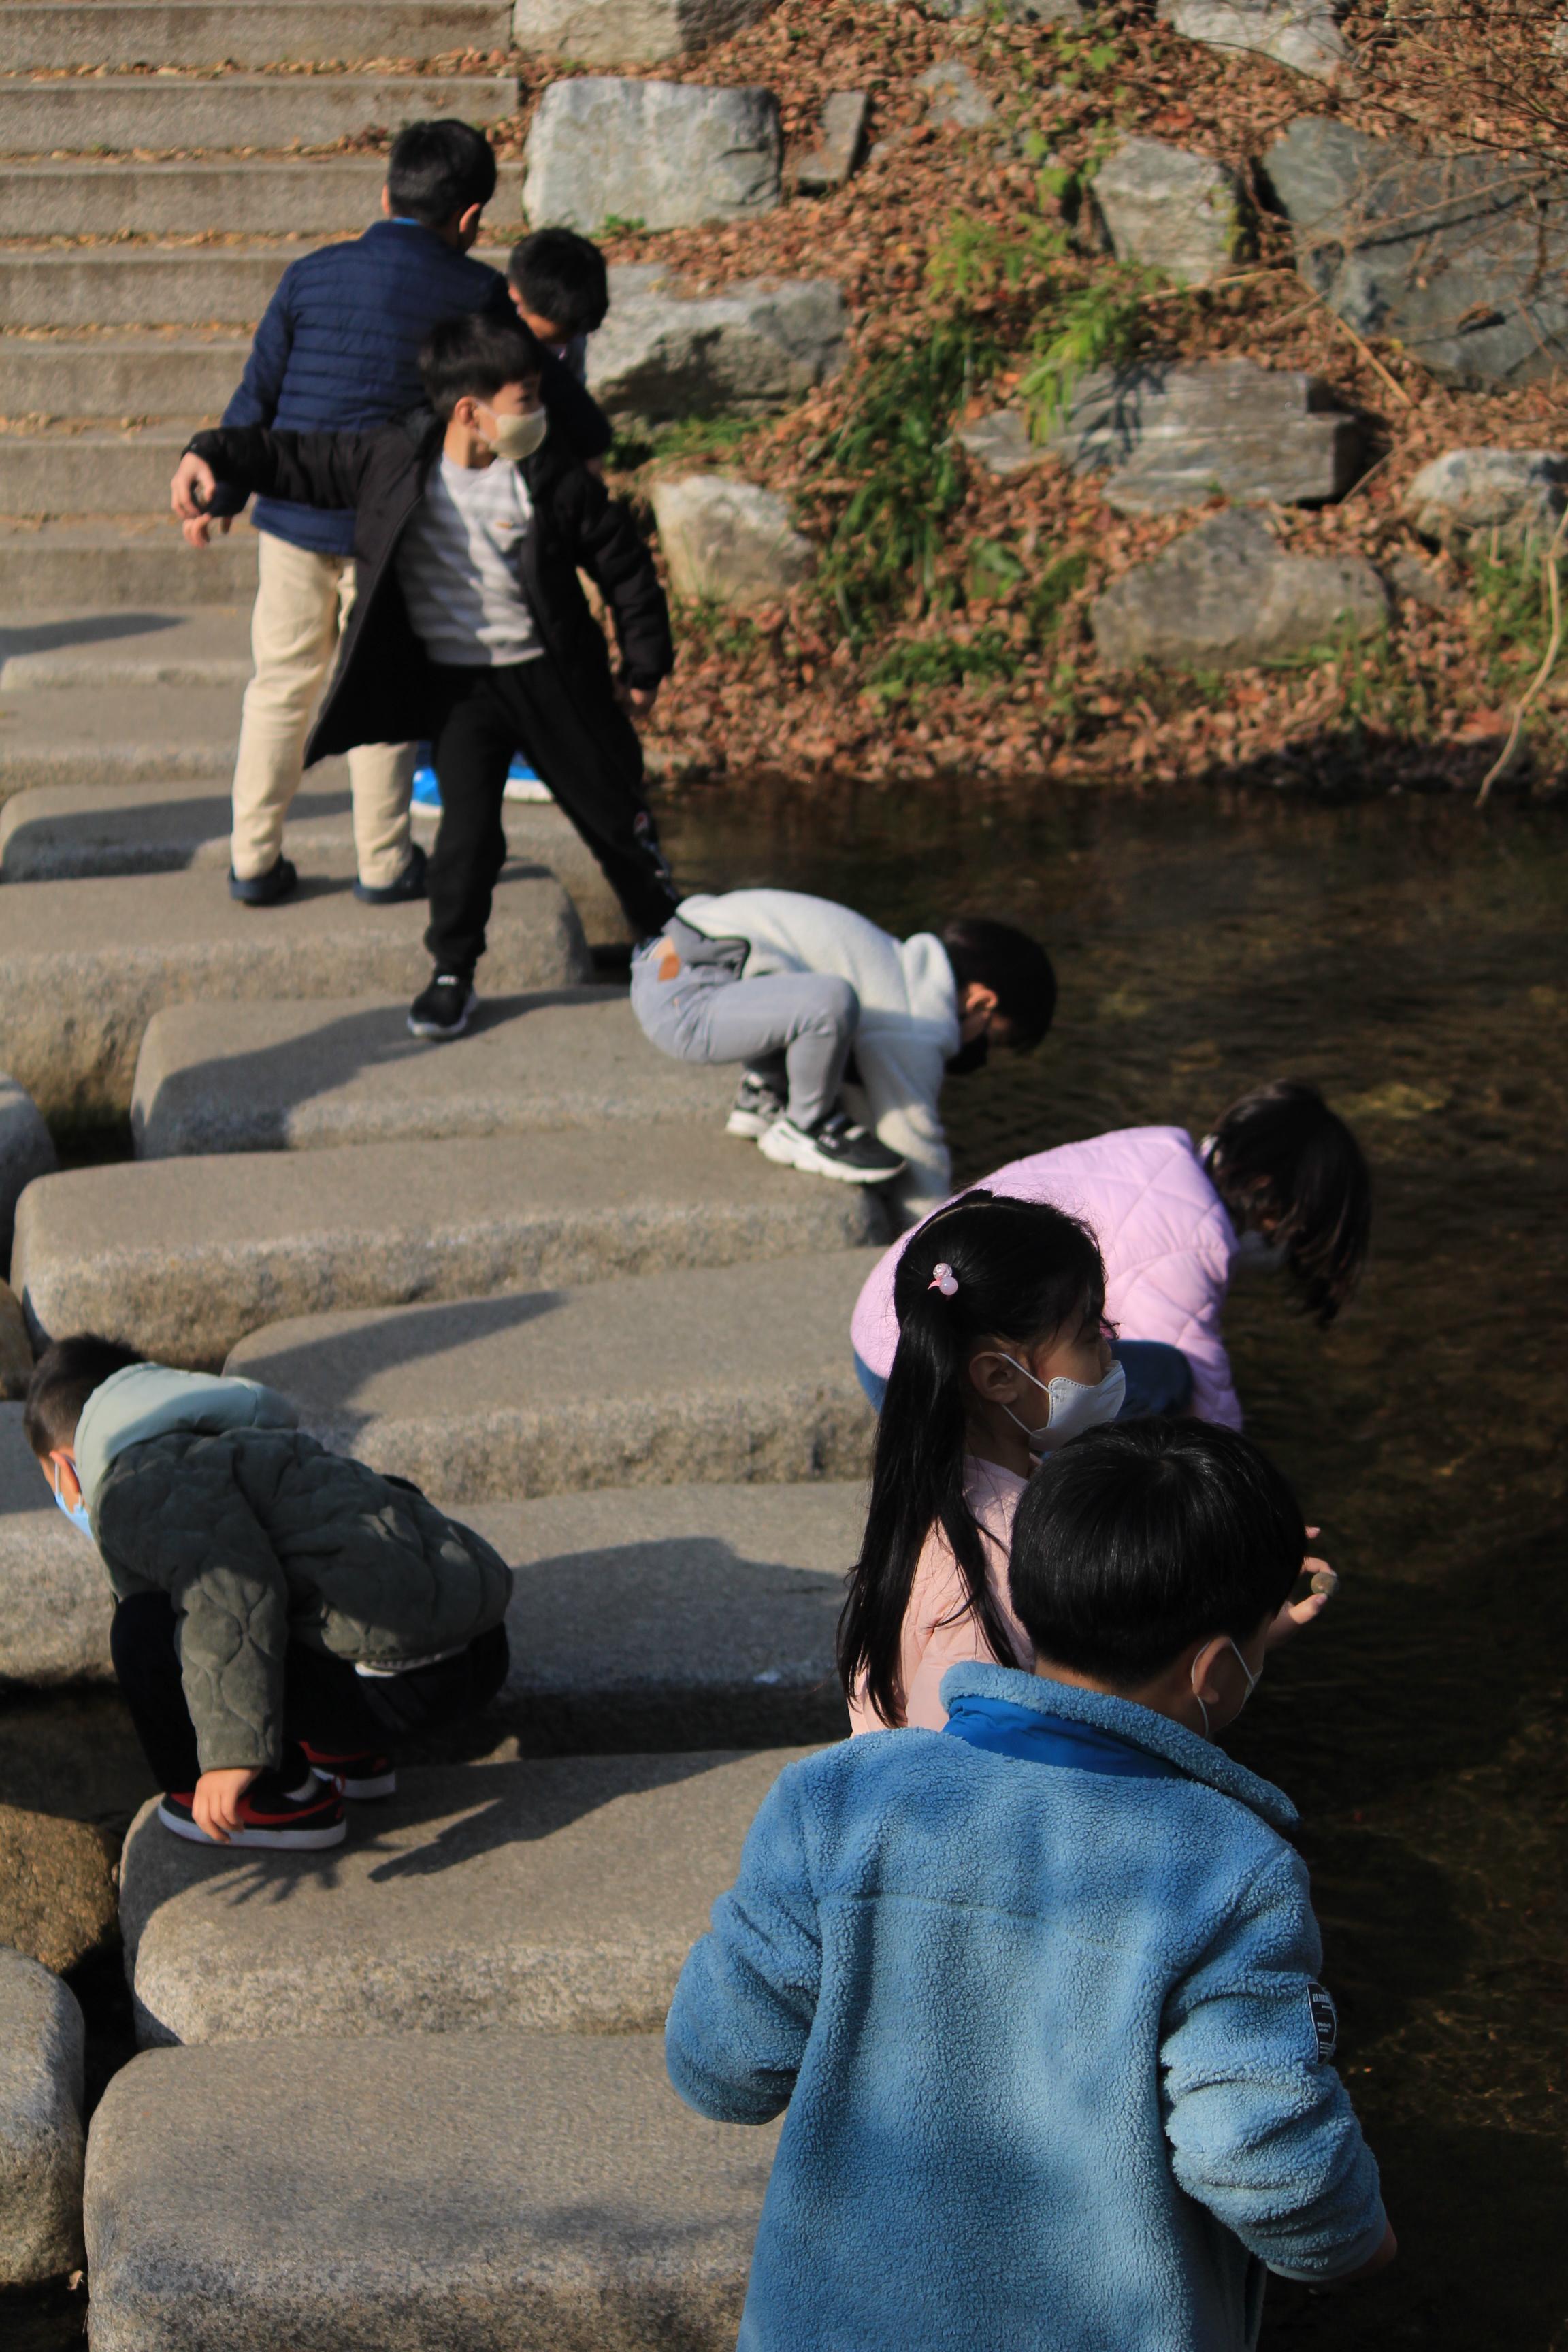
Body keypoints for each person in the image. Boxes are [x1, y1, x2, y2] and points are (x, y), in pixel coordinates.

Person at [666, 1418, 1393, 2352]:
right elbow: (1256, 2153)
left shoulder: (838, 1799)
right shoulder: (1233, 1871)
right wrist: (1354, 2242)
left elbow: (721, 2066)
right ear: (1217, 1670)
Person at [172, 310, 679, 1041]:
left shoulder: (549, 474)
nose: (539, 412)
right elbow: (296, 459)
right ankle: (451, 974)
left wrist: (644, 664)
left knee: (615, 817)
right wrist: (210, 453)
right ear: (470, 412)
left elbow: (623, 563)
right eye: (526, 399)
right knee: (466, 842)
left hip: (551, 680)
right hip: (461, 693)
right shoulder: (395, 461)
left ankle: (672, 947)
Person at [188, 118, 615, 911]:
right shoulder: (477, 294)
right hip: (392, 530)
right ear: (470, 219)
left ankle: (253, 858)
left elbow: (258, 398)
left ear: (386, 195)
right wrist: (593, 443)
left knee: (280, 685)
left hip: (293, 518)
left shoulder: (308, 276)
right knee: (381, 686)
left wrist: (221, 482)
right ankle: (383, 862)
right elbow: (540, 387)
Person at [25, 1335, 512, 1851]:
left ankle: (281, 1797)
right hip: (482, 1652)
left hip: (387, 1695)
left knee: (144, 1627)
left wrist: (232, 1755)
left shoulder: (134, 1482)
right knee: (304, 1566)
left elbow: (231, 1588)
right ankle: (347, 1756)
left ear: (66, 1469)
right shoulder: (251, 1437)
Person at [850, 1080, 1373, 1418]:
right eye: (1294, 1226)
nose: (1284, 1242)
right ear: (1267, 1192)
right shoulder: (1196, 1237)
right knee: (1169, 1379)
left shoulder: (1155, 1148)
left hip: (887, 1320)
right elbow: (1206, 1396)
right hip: (919, 1382)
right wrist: (1251, 1513)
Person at [840, 1190, 1120, 1732]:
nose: (1109, 1355)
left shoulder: (946, 1492)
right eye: (1091, 1338)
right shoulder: (992, 1570)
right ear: (999, 1377)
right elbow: (953, 1765)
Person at [630, 894, 1054, 1207]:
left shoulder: (893, 965)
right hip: (684, 1001)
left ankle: (764, 1095)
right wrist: (937, 1244)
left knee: (812, 1005)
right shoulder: (916, 1022)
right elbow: (915, 1142)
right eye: (993, 1040)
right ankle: (804, 1125)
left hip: (667, 961)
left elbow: (863, 1087)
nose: (981, 1054)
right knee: (828, 1003)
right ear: (981, 1003)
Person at [507, 227, 609, 387]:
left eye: (569, 338)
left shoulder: (573, 332)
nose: (562, 350)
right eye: (549, 342)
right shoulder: (483, 341)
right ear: (515, 296)